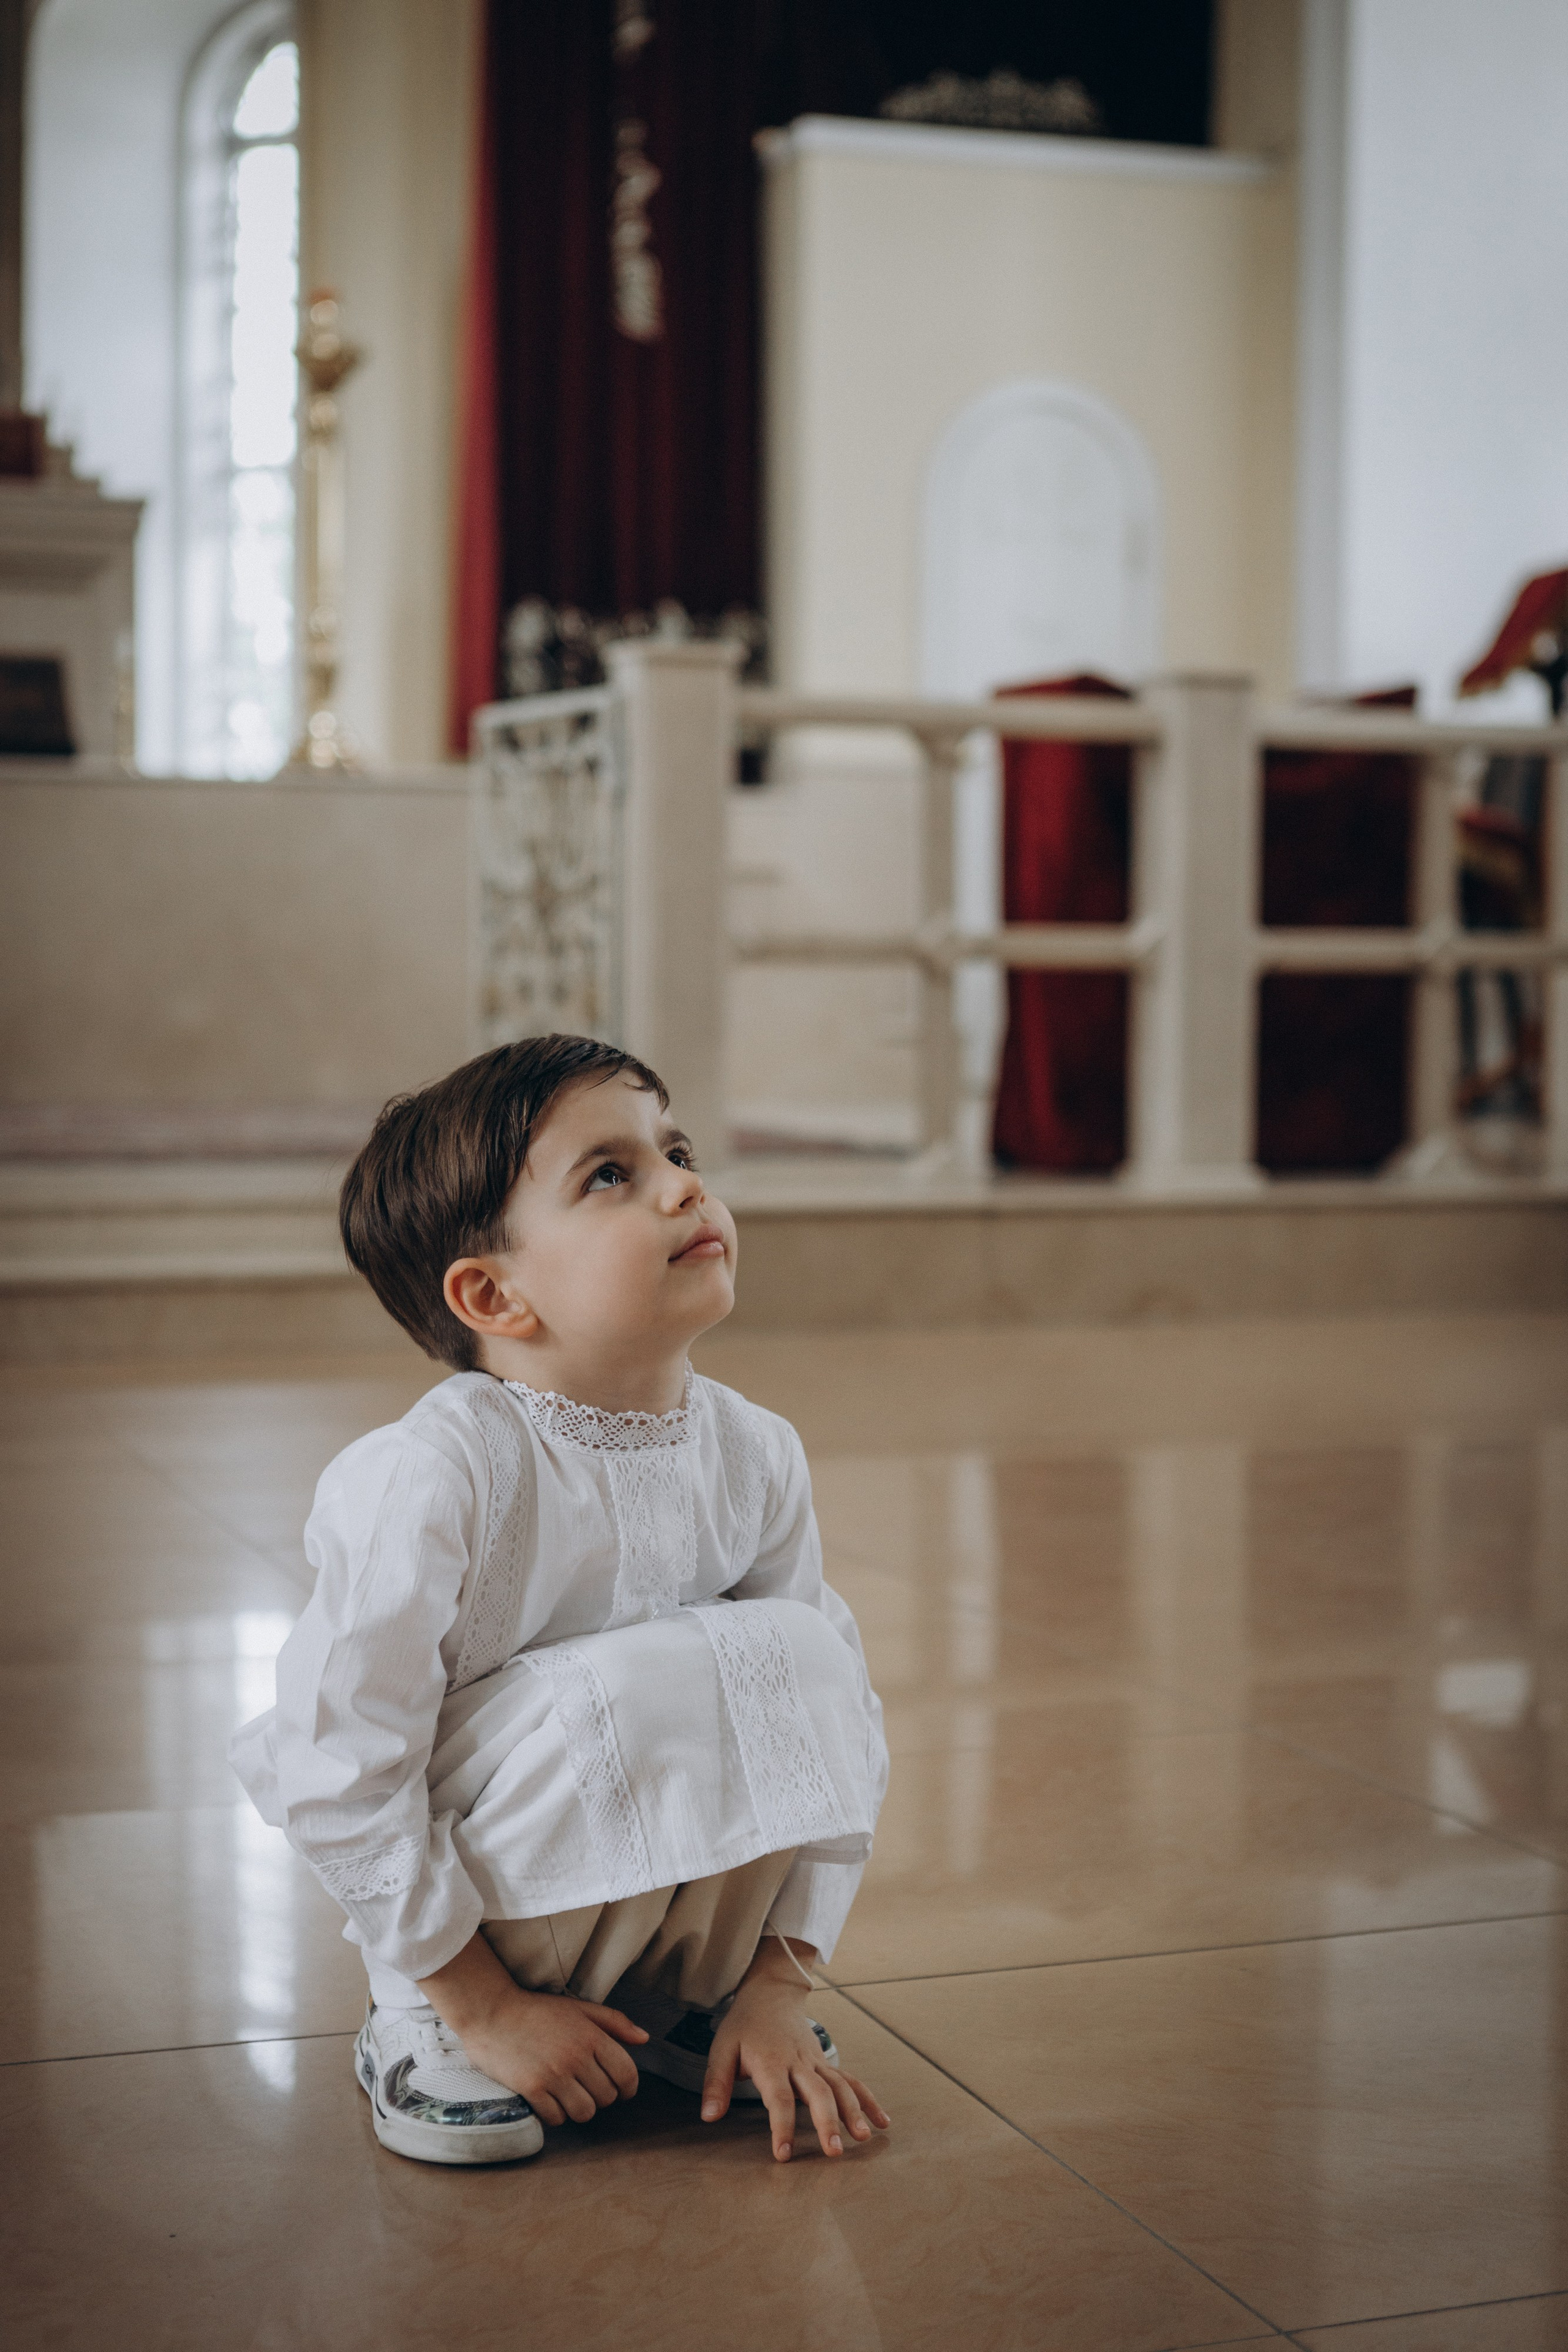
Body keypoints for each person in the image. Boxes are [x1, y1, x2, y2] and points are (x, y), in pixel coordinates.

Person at [231, 1033, 890, 2169]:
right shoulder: (437, 1474)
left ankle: (696, 2005)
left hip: (685, 1942)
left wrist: (779, 1982)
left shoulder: (755, 1453)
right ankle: (424, 2024)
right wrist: (478, 2000)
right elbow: (337, 1761)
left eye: (674, 1150)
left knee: (809, 1652)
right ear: (495, 1293)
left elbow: (826, 1730)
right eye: (611, 1175)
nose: (687, 1185)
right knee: (645, 1679)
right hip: (480, 1944)